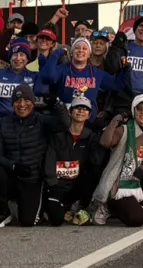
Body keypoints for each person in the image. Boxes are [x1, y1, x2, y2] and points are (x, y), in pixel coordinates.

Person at [0, 85, 60, 227]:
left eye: (26, 100)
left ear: (33, 103)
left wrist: (57, 104)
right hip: (12, 174)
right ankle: (3, 211)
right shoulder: (3, 123)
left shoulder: (41, 120)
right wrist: (12, 165)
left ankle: (31, 203)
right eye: (18, 101)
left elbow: (64, 123)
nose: (22, 105)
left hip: (32, 178)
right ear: (12, 103)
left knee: (28, 221)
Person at [92, 94, 143, 227]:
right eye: (139, 109)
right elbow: (105, 143)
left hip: (137, 179)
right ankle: (109, 206)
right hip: (119, 183)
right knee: (137, 219)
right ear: (134, 111)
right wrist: (114, 121)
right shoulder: (124, 130)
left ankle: (141, 202)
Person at [43, 96, 101, 226]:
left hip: (76, 186)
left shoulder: (91, 137)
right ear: (70, 112)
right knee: (56, 221)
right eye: (78, 108)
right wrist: (52, 184)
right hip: (57, 185)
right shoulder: (57, 135)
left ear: (89, 115)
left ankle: (80, 206)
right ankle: (59, 207)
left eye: (85, 109)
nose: (81, 111)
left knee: (94, 172)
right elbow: (49, 161)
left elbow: (95, 163)